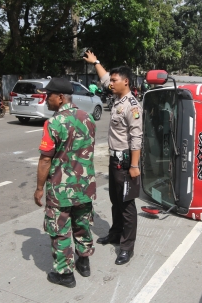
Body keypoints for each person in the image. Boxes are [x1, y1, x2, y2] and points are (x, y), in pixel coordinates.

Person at [33, 78, 97, 288]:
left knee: (60, 230)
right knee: (82, 224)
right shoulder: (88, 118)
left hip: (61, 189)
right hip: (85, 187)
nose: (46, 99)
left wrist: (40, 188)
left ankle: (65, 274)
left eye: (49, 95)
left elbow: (45, 159)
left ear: (60, 98)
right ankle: (84, 262)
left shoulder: (53, 123)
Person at [83, 50, 143, 265]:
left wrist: (134, 166)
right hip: (114, 160)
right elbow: (105, 77)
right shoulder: (118, 97)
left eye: (115, 80)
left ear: (125, 82)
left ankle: (127, 247)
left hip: (126, 161)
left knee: (126, 205)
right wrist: (96, 62)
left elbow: (137, 138)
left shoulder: (132, 106)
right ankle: (116, 233)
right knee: (115, 201)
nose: (111, 83)